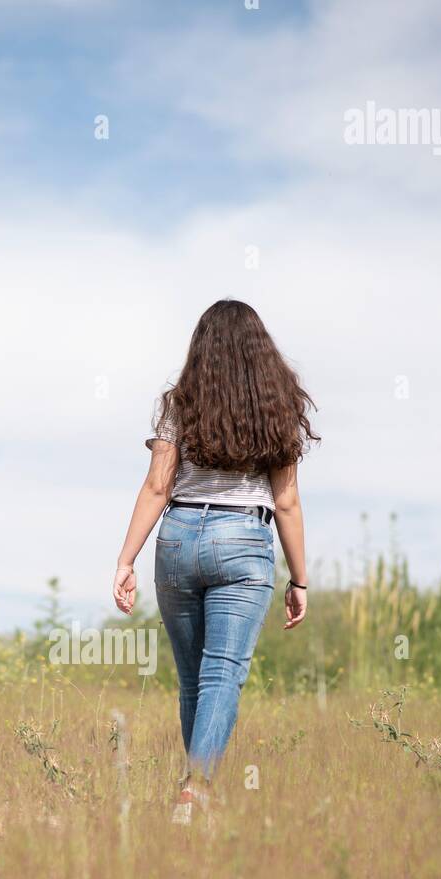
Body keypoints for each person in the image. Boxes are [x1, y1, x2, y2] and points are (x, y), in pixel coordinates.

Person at [113, 299, 318, 823]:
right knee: (221, 674)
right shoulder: (277, 405)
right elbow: (287, 501)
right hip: (244, 541)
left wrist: (126, 559)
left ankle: (194, 792)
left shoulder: (177, 403)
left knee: (192, 679)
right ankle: (195, 790)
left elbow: (158, 486)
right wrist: (299, 578)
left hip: (178, 538)